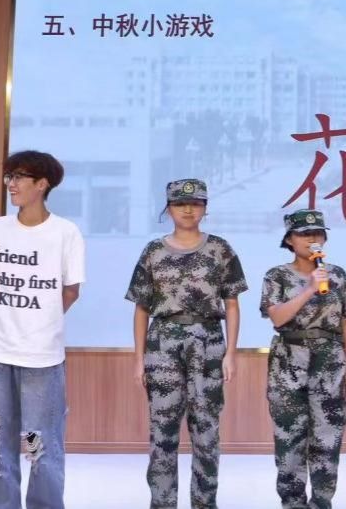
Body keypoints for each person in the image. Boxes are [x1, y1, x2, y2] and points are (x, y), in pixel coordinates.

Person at [126, 178, 248, 509]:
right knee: (162, 431)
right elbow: (141, 308)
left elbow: (232, 304)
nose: (188, 210)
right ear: (168, 208)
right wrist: (139, 359)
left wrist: (231, 353)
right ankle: (162, 503)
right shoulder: (153, 251)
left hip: (208, 342)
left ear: (205, 208)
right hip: (163, 343)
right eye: (180, 204)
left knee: (206, 431)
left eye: (195, 203)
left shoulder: (220, 249)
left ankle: (204, 503)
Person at [0, 150, 86, 509]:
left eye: (20, 177)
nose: (11, 184)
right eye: (9, 176)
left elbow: (71, 290)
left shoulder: (65, 233)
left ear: (42, 184)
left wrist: (42, 321)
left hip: (42, 358)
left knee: (41, 447)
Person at [260, 208, 346, 509]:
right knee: (289, 439)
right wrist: (309, 289)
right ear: (289, 239)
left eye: (317, 233)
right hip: (288, 361)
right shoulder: (276, 275)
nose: (312, 239)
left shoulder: (337, 275)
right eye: (304, 234)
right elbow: (277, 317)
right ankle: (292, 503)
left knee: (327, 439)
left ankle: (322, 502)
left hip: (330, 361)